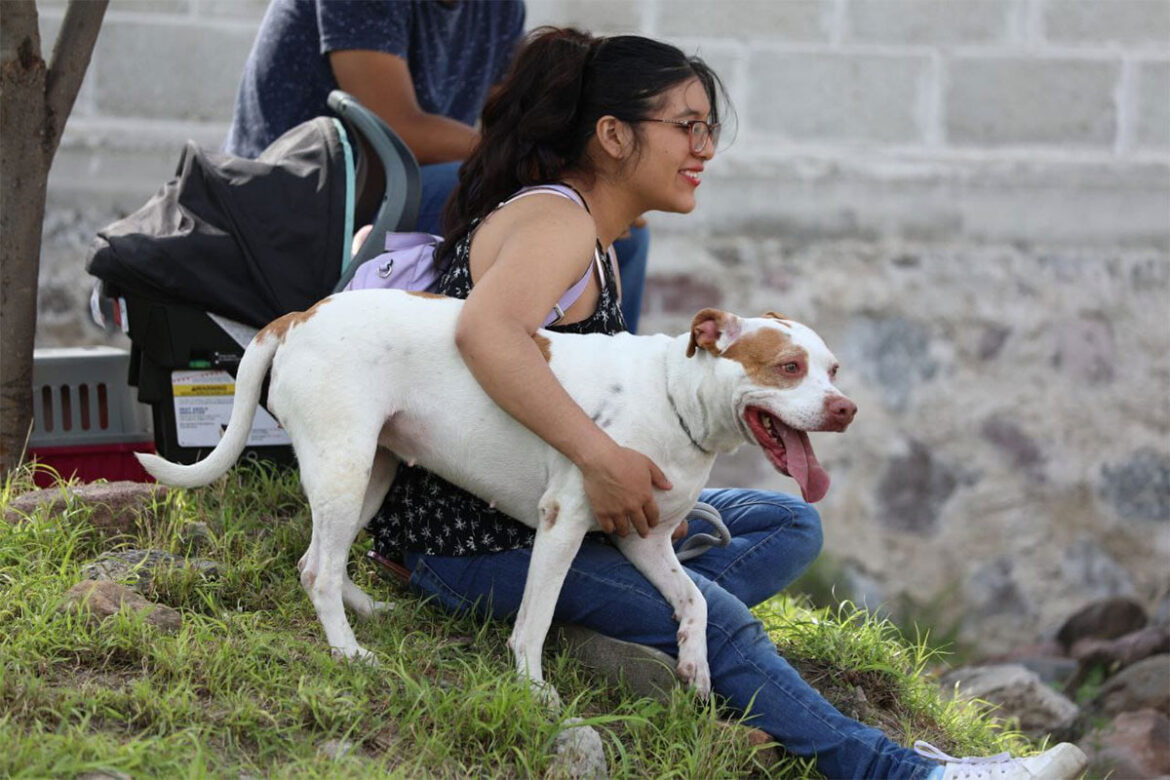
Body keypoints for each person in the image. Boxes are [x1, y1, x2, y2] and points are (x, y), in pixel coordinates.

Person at [364, 26, 1088, 780]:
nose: (704, 148)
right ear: (613, 136)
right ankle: (919, 775)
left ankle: (607, 628)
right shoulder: (559, 223)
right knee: (726, 621)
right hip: (471, 542)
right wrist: (602, 457)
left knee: (787, 523)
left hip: (553, 513)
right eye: (687, 127)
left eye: (708, 127)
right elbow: (487, 334)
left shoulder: (599, 240)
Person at [224, 0, 651, 331]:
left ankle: (603, 399)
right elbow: (396, 126)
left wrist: (594, 178)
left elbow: (517, 118)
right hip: (308, 202)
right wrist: (556, 179)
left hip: (406, 183)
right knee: (567, 209)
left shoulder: (498, 8)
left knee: (613, 225)